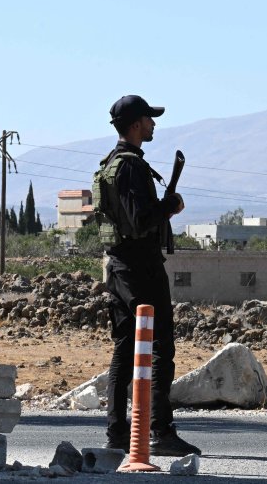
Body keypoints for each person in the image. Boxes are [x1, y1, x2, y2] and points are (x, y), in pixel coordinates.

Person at [95, 94, 200, 457]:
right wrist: (171, 206)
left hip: (122, 267)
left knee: (126, 348)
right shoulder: (130, 167)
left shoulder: (113, 163)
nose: (154, 124)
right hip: (140, 269)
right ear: (136, 124)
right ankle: (159, 430)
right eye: (150, 119)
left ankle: (118, 432)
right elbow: (140, 220)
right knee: (158, 350)